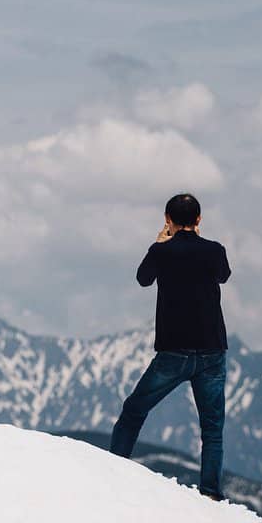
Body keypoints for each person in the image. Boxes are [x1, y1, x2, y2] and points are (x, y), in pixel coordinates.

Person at [108, 192, 232, 502]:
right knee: (212, 429)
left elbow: (143, 279)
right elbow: (223, 276)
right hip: (211, 351)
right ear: (199, 219)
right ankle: (211, 494)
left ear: (168, 220)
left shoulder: (162, 251)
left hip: (174, 351)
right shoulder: (215, 251)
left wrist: (160, 244)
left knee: (134, 410)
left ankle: (110, 470)